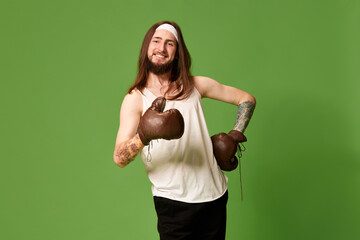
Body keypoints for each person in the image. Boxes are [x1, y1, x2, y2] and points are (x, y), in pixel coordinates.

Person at [113, 21, 256, 240]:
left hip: (214, 196)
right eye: (156, 41)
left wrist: (235, 135)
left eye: (170, 43)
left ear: (178, 54)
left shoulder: (196, 85)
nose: (161, 48)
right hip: (172, 203)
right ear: (146, 48)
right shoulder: (136, 99)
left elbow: (246, 99)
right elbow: (119, 157)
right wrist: (143, 136)